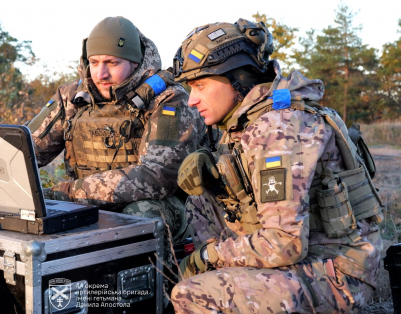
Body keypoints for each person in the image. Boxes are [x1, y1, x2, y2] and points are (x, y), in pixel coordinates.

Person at [171, 19, 383, 313]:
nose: (192, 99)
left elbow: (284, 244)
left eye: (200, 85)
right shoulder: (248, 124)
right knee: (200, 195)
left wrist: (209, 257)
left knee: (189, 295)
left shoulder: (280, 128)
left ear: (239, 78)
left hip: (339, 273)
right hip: (313, 260)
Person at [26, 16, 206, 243]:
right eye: (94, 62)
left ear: (134, 63)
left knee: (140, 214)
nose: (100, 74)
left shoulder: (168, 99)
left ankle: (164, 276)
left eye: (112, 63)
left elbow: (156, 178)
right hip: (85, 203)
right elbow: (25, 151)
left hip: (161, 205)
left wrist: (68, 193)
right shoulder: (71, 98)